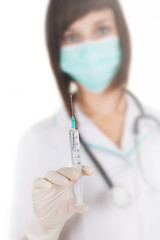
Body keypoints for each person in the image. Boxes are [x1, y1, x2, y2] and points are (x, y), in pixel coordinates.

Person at [10, 0, 160, 239]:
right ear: (56, 49)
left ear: (121, 34)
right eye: (72, 37)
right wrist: (42, 231)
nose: (89, 48)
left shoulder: (154, 122)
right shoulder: (37, 141)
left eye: (101, 29)